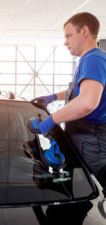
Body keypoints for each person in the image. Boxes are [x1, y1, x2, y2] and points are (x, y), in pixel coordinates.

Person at [33, 12, 106, 183]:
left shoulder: (93, 59)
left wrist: (51, 120)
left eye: (68, 36)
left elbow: (87, 103)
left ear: (84, 32)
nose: (65, 42)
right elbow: (82, 91)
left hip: (91, 141)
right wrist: (53, 97)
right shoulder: (91, 59)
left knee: (92, 191)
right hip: (88, 139)